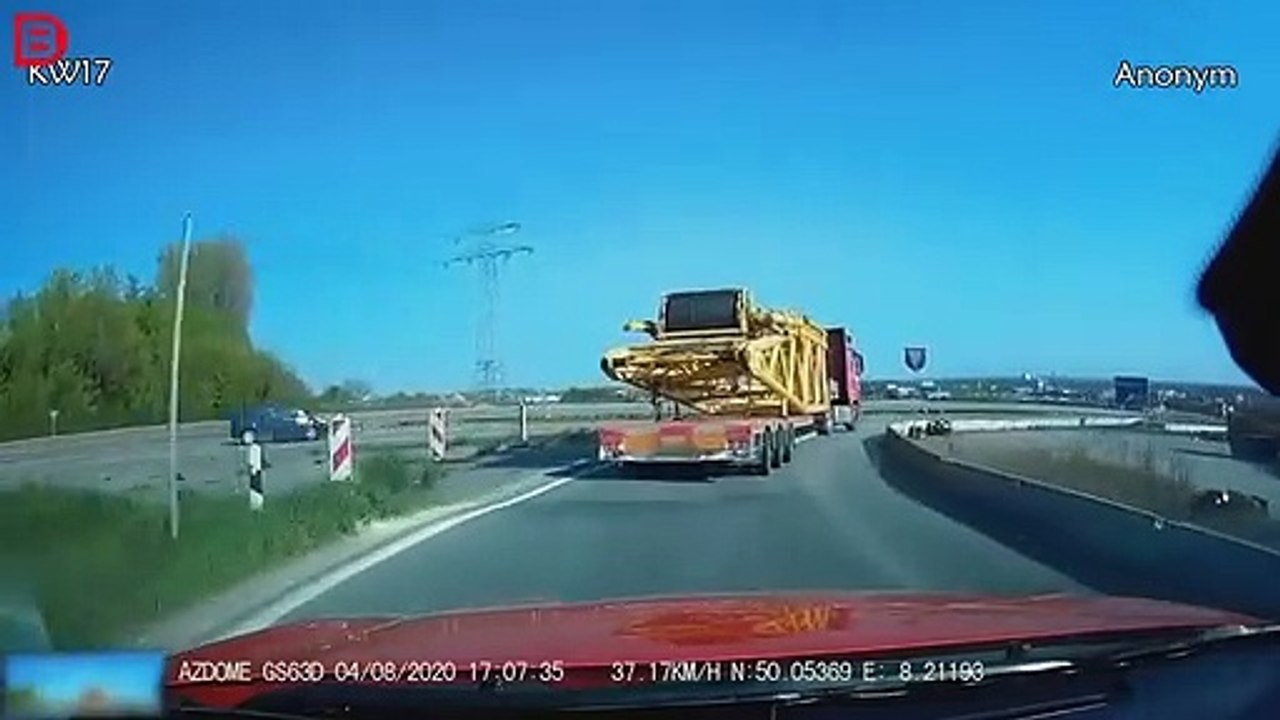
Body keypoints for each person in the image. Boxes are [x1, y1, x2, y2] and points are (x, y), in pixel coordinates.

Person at [246, 437, 269, 511]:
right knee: (257, 486)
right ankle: (257, 504)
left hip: (255, 470)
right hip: (256, 470)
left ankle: (256, 504)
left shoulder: (254, 448)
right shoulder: (256, 448)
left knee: (255, 486)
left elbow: (252, 461)